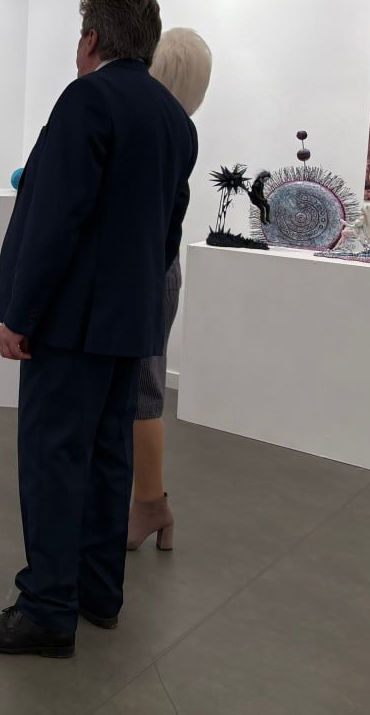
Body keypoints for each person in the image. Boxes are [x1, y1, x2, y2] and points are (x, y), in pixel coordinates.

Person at [0, 0, 198, 658]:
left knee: (54, 461)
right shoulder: (175, 119)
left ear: (91, 39)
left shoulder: (87, 99)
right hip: (129, 323)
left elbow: (55, 220)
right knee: (108, 456)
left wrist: (19, 314)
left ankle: (46, 609)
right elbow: (168, 230)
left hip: (70, 326)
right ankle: (98, 593)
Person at [128, 28, 212, 552]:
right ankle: (147, 505)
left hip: (150, 274)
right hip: (155, 270)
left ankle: (151, 505)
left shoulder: (165, 134)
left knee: (143, 394)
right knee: (141, 390)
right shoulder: (179, 131)